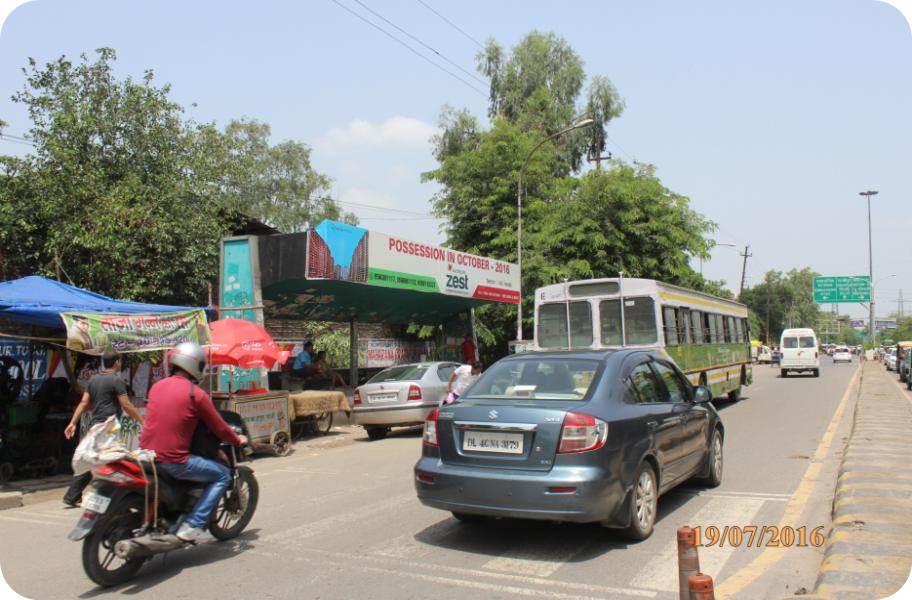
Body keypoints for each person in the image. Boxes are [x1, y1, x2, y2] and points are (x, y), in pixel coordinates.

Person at [139, 342, 247, 542]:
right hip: (173, 461)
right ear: (195, 365)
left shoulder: (156, 387)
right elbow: (220, 427)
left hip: (146, 455)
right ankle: (194, 523)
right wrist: (236, 439)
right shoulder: (195, 394)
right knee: (222, 475)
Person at [63, 353, 144, 507]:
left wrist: (73, 422)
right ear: (117, 362)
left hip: (97, 425)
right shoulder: (116, 380)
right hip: (109, 427)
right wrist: (142, 421)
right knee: (112, 458)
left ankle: (73, 496)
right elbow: (126, 404)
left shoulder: (93, 380)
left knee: (94, 459)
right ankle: (107, 495)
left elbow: (83, 402)